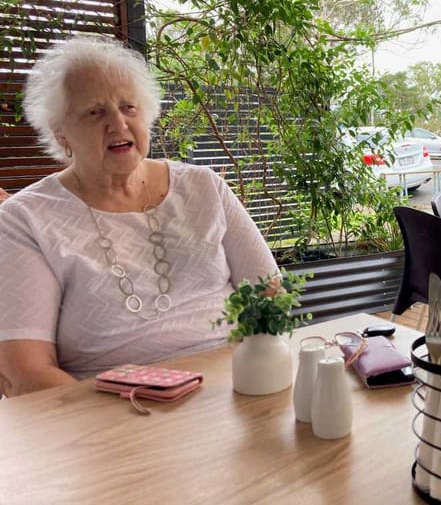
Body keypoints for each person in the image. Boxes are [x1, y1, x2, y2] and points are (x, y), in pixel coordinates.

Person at [0, 36, 278, 396]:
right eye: (95, 112)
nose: (118, 124)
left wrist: (259, 376)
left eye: (129, 108)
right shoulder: (25, 219)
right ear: (60, 132)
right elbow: (26, 373)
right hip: (111, 414)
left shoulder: (204, 187)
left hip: (235, 390)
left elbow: (269, 296)